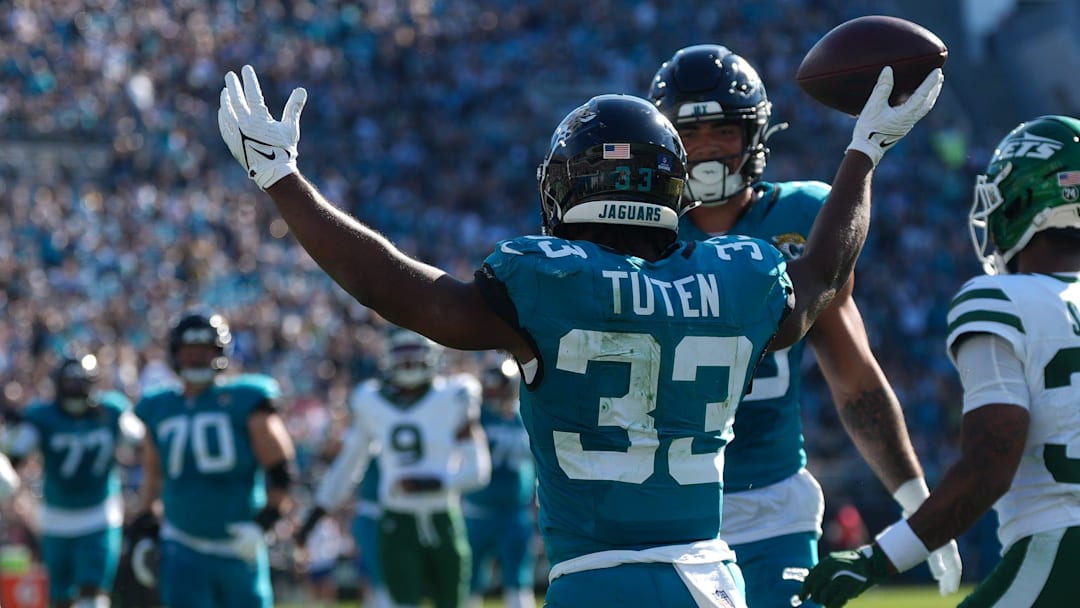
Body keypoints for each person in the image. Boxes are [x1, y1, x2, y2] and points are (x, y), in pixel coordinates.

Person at [217, 63, 941, 606]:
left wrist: (284, 180)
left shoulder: (548, 281)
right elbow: (820, 274)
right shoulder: (738, 275)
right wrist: (864, 153)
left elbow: (402, 291)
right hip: (713, 578)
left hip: (597, 581)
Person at [647, 44, 962, 607]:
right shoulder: (640, 236)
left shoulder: (801, 216)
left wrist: (917, 501)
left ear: (755, 134)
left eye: (721, 130)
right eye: (687, 135)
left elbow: (854, 377)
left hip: (770, 505)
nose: (705, 150)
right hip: (659, 510)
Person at [799, 114, 1080, 608]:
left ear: (1023, 200)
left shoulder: (1001, 300)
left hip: (1060, 552)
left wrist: (879, 557)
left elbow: (992, 461)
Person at [296, 327, 490, 608]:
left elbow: (479, 471)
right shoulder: (370, 400)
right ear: (387, 359)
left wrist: (431, 483)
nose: (409, 364)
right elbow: (349, 465)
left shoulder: (455, 395)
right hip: (397, 523)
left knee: (454, 603)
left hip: (443, 516)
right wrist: (317, 513)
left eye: (415, 355)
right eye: (402, 356)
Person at [130, 311, 297, 608]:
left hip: (237, 544)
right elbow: (153, 478)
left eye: (204, 352)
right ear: (175, 354)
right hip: (183, 546)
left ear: (220, 353)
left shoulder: (246, 398)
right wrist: (146, 529)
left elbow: (281, 469)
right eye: (189, 352)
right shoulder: (158, 406)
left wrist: (264, 523)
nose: (195, 360)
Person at [4, 354, 144, 608]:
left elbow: (142, 442)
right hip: (56, 517)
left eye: (80, 383)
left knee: (92, 594)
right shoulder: (42, 417)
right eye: (69, 384)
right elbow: (14, 454)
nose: (75, 390)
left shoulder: (111, 411)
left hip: (98, 514)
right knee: (60, 598)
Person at [463, 359, 538, 608]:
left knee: (518, 580)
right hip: (477, 509)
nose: (495, 392)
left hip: (514, 512)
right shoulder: (475, 416)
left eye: (499, 386)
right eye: (490, 386)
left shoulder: (524, 416)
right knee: (469, 581)